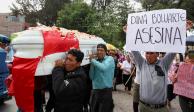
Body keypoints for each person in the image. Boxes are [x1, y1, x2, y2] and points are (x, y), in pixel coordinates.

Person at [89, 43, 115, 112]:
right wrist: (92, 64)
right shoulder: (95, 61)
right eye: (98, 50)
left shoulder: (110, 59)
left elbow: (104, 68)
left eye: (101, 50)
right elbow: (91, 76)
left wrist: (93, 61)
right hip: (95, 91)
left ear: (106, 52)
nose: (99, 52)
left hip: (106, 91)